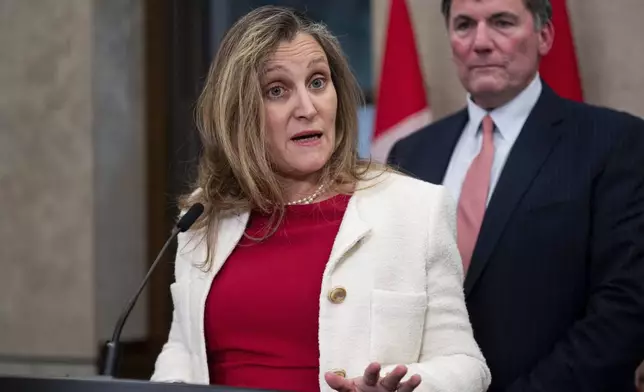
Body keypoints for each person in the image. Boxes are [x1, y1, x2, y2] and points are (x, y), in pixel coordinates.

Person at [151, 6, 491, 392]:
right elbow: (182, 351)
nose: (308, 108)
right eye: (277, 91)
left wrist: (409, 387)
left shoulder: (414, 210)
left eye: (317, 82)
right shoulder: (201, 215)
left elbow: (466, 365)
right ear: (239, 113)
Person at [387, 0, 644, 391]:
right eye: (464, 25)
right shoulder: (411, 153)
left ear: (544, 36)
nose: (481, 42)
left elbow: (625, 308)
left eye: (502, 22)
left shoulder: (615, 142)